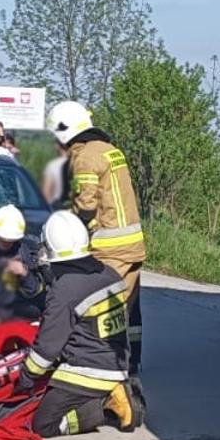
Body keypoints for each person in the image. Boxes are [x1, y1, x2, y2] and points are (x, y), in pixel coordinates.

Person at [50, 100, 146, 410]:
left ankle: (108, 384)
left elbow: (87, 205)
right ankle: (129, 369)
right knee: (126, 312)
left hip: (110, 247)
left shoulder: (85, 157)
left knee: (100, 314)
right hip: (132, 244)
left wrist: (64, 228)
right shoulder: (108, 149)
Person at [19, 211, 138, 437]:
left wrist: (26, 377)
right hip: (119, 363)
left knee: (43, 424)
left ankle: (105, 408)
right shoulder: (111, 274)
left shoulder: (65, 290)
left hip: (88, 371)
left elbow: (47, 349)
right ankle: (117, 391)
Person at [39, 143, 69, 208]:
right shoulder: (77, 163)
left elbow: (46, 193)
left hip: (57, 207)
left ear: (57, 146)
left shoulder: (52, 165)